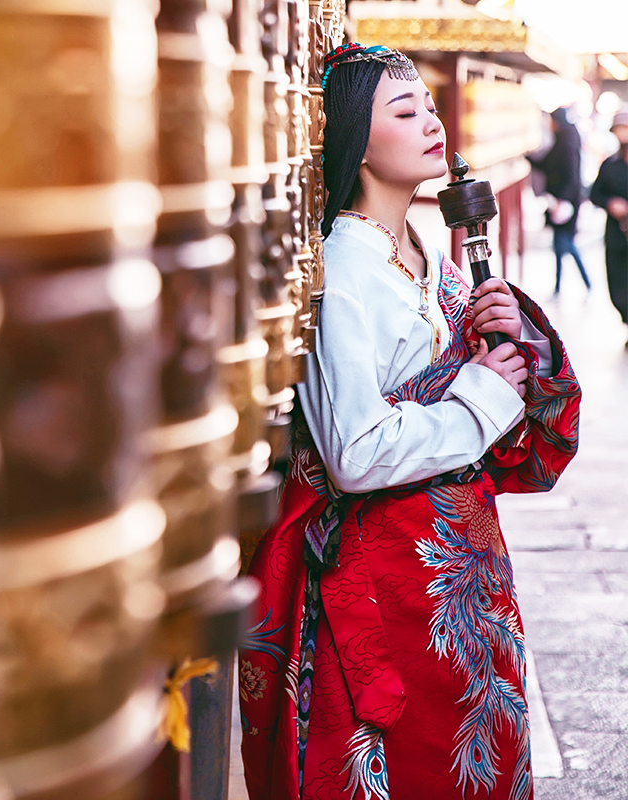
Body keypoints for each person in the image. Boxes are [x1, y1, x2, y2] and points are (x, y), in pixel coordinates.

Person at [238, 44, 581, 800]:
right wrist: (485, 397)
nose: (432, 122)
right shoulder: (347, 269)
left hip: (460, 569)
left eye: (428, 106)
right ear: (356, 138)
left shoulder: (425, 251)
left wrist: (497, 334)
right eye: (405, 110)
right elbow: (353, 453)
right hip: (389, 579)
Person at [527, 107, 591, 297]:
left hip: (566, 203)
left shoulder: (567, 143)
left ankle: (582, 284)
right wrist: (527, 156)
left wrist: (562, 199)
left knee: (565, 243)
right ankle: (562, 287)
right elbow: (546, 163)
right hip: (562, 201)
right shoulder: (564, 139)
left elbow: (570, 175)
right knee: (561, 244)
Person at [590, 109, 628, 339]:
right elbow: (595, 194)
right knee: (617, 284)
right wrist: (610, 203)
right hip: (617, 235)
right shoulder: (610, 165)